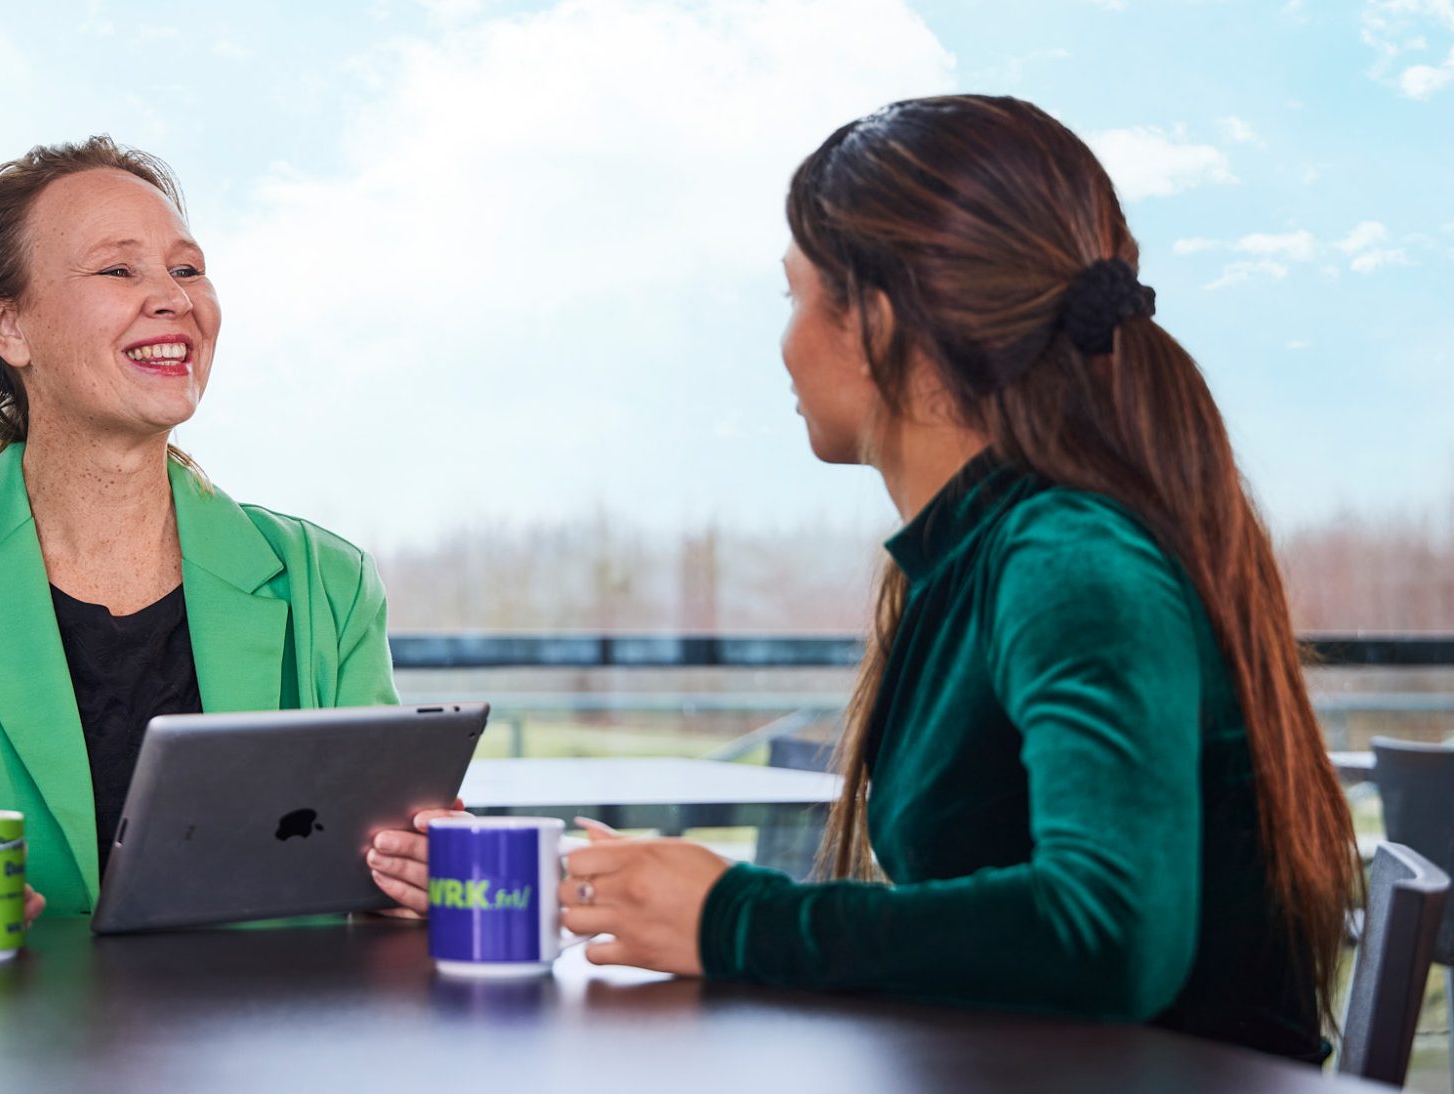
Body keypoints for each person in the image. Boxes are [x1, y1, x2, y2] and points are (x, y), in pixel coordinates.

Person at [556, 95, 1358, 1062]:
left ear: (879, 320)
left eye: (795, 297)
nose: (786, 343)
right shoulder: (979, 555)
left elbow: (1109, 936)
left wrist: (736, 919)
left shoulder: (1068, 560)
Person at [0, 137, 445, 924]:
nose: (173, 299)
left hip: (263, 1036)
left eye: (187, 269)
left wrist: (412, 871)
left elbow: (372, 846)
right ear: (6, 324)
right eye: (117, 270)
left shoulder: (325, 579)